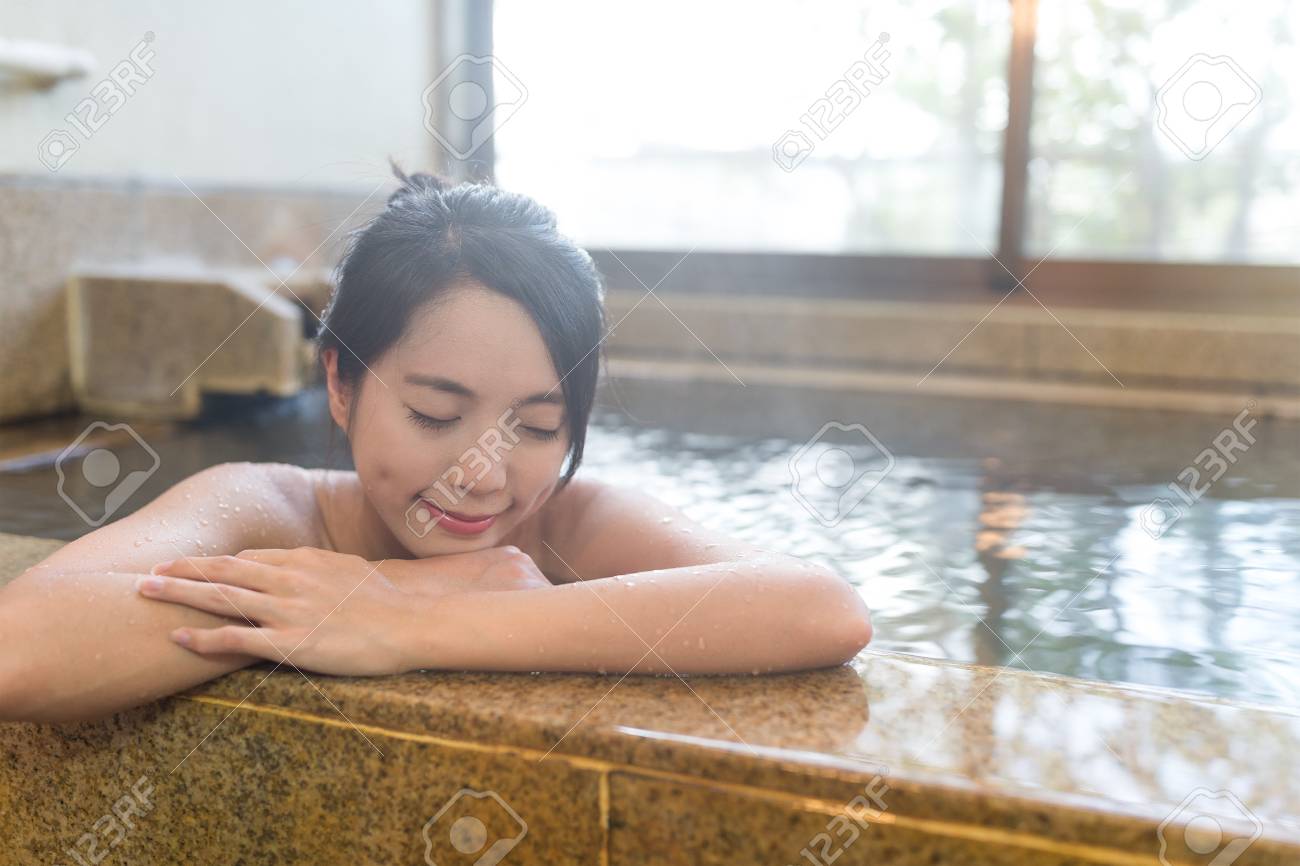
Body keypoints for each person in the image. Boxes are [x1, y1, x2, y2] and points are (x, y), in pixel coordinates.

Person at [0, 165, 872, 724]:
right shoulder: (266, 508)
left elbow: (818, 608)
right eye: (433, 413)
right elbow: (20, 645)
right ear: (340, 383)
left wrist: (412, 618)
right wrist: (365, 597)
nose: (482, 474)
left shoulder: (572, 524)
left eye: (537, 427)